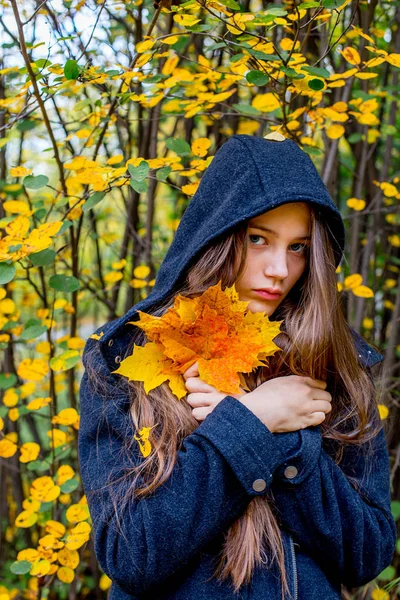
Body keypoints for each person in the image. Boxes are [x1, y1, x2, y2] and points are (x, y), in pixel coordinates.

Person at [78, 134, 396, 600]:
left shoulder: (338, 367)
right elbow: (132, 555)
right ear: (214, 235)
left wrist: (291, 445)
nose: (279, 270)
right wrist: (253, 422)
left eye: (298, 248)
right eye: (258, 239)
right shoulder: (125, 362)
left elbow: (366, 554)